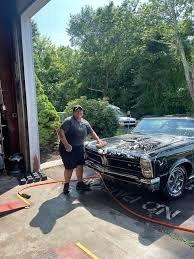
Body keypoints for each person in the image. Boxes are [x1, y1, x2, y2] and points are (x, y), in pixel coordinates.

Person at [58, 105, 105, 194]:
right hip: (68, 148)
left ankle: (80, 184)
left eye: (80, 111)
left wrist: (99, 140)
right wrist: (66, 145)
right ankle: (66, 186)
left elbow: (92, 132)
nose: (79, 112)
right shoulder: (69, 121)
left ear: (82, 112)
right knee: (69, 168)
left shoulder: (85, 122)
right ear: (73, 112)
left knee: (80, 165)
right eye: (76, 111)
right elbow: (60, 132)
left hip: (79, 148)